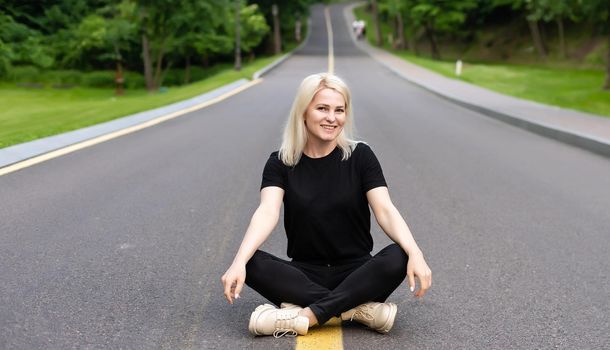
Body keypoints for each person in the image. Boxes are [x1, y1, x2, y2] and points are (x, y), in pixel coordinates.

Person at [221, 73, 432, 338]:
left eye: (339, 110)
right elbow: (267, 211)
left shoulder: (361, 156)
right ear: (304, 112)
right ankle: (355, 310)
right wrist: (239, 261)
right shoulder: (280, 162)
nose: (332, 118)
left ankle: (305, 315)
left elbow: (385, 210)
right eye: (322, 108)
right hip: (305, 276)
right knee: (249, 261)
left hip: (357, 272)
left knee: (399, 255)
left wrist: (416, 252)